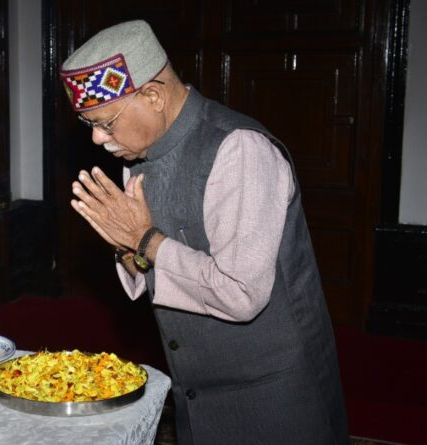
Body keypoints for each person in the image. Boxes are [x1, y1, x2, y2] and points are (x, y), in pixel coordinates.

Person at [62, 20, 349, 444]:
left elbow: (241, 293)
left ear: (154, 95)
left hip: (274, 402)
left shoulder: (240, 150)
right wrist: (127, 248)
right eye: (89, 123)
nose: (98, 138)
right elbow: (150, 268)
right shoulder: (135, 159)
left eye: (105, 121)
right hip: (197, 395)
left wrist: (143, 239)